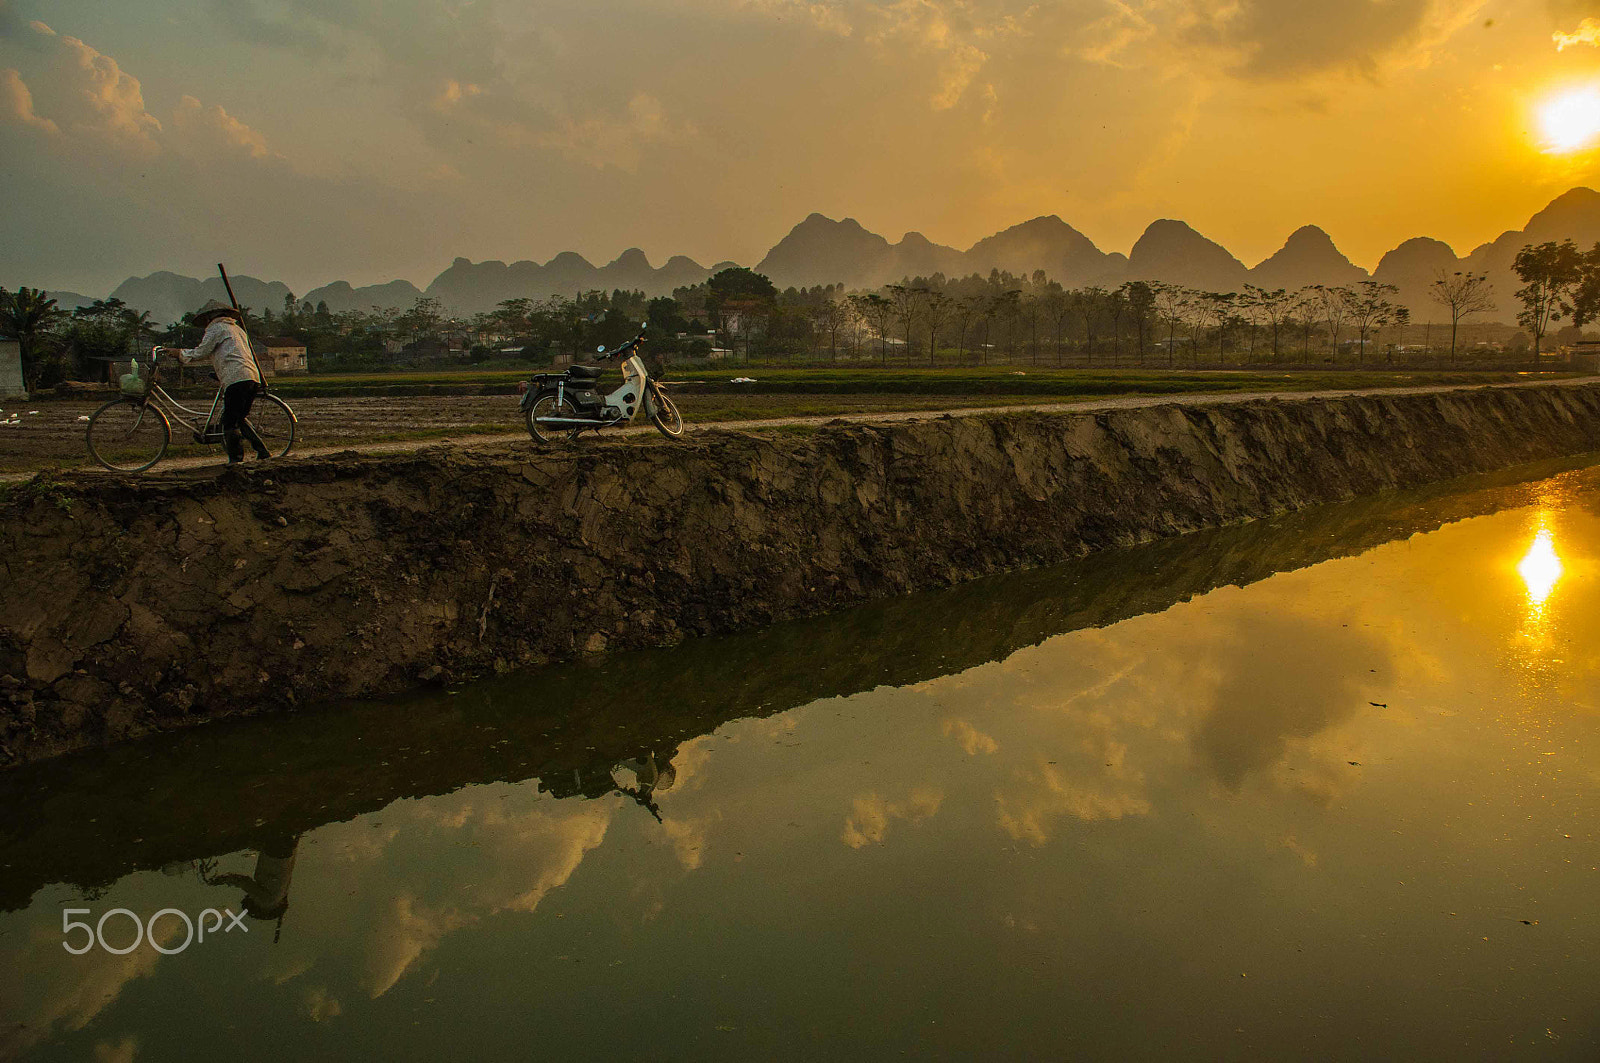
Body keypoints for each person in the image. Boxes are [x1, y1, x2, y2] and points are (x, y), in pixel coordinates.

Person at [157, 300, 269, 463]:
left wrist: (179, 353)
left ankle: (236, 460)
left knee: (229, 423)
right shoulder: (237, 329)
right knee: (238, 418)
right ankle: (262, 450)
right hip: (250, 376)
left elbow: (202, 351)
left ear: (211, 316)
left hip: (236, 377)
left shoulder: (217, 328)